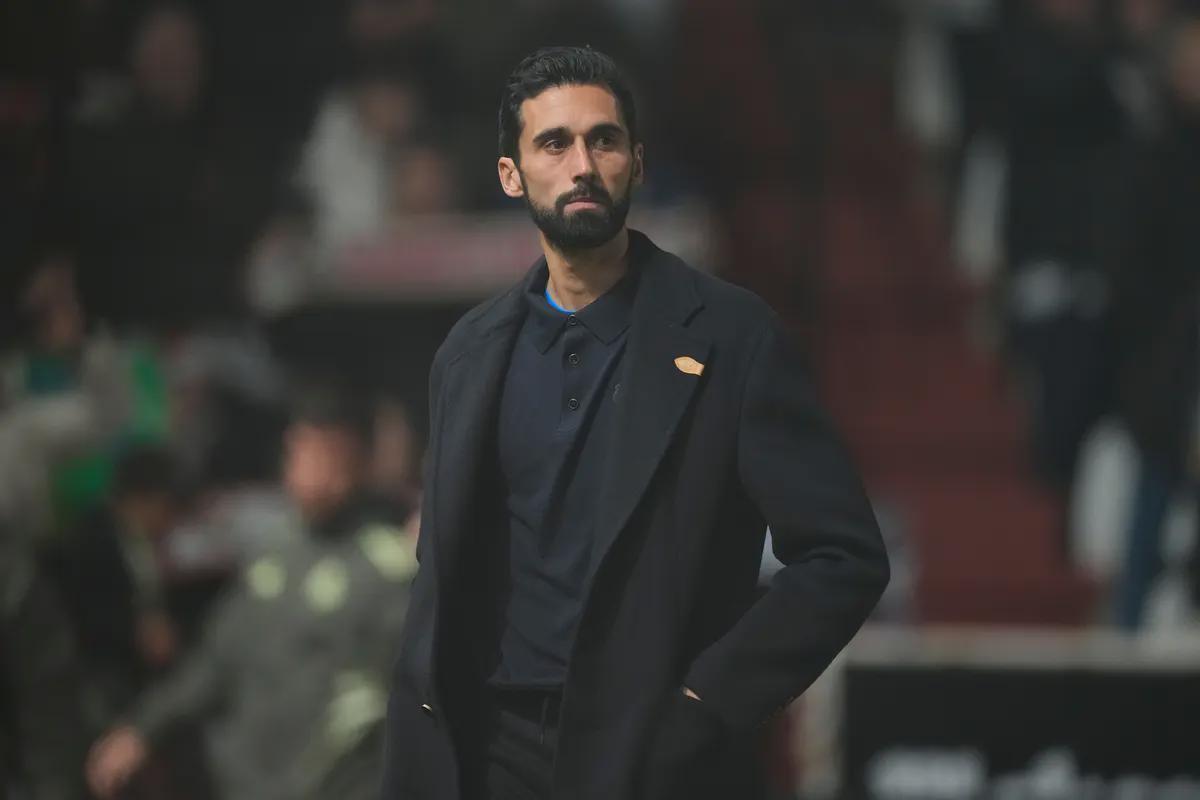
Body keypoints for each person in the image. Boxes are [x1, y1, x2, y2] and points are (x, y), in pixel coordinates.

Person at [380, 46, 889, 800]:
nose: (583, 165)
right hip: (484, 754)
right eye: (554, 144)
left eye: (604, 141)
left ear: (638, 163)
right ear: (511, 175)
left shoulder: (733, 336)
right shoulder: (467, 354)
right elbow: (442, 571)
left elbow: (844, 558)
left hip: (651, 753)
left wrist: (706, 703)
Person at [86, 385, 417, 800]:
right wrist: (141, 728)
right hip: (241, 783)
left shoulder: (388, 569)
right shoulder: (272, 555)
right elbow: (214, 661)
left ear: (350, 460)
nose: (300, 467)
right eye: (295, 451)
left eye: (317, 453)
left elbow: (399, 706)